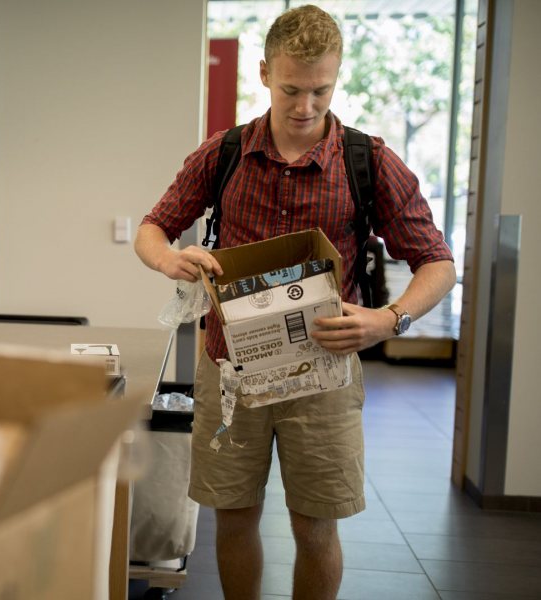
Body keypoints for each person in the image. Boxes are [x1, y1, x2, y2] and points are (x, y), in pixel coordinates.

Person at [134, 5, 456, 600]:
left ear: (336, 78)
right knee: (233, 517)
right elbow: (152, 228)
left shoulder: (369, 161)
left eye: (320, 90)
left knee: (315, 525)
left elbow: (438, 262)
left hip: (323, 375)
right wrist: (167, 259)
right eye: (290, 89)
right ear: (263, 73)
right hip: (231, 369)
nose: (305, 107)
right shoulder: (222, 153)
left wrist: (389, 319)